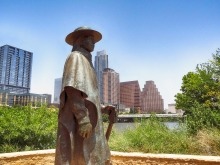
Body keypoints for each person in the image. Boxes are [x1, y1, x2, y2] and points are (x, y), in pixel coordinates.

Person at [55, 26, 115, 165]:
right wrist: (82, 119)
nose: (94, 43)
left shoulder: (87, 61)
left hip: (88, 120)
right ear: (81, 41)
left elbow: (88, 97)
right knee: (80, 154)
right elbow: (73, 90)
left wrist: (103, 108)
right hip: (80, 121)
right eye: (90, 40)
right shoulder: (76, 57)